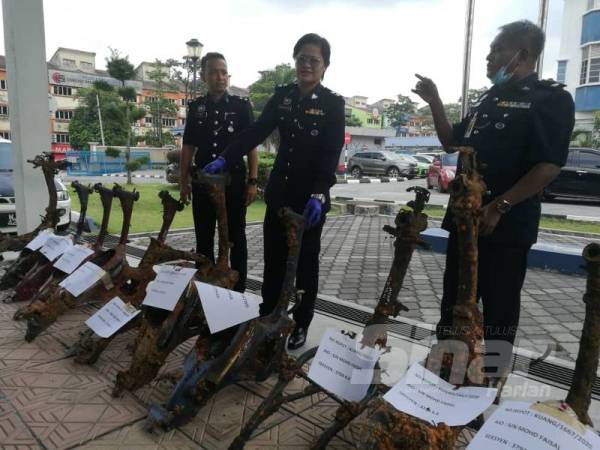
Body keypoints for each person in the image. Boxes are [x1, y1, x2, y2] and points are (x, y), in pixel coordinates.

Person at [413, 20, 575, 379]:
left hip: (507, 225)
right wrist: (436, 101)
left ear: (524, 54)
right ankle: (445, 376)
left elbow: (548, 165)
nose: (489, 56)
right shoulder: (487, 100)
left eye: (497, 49)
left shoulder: (551, 99)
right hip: (466, 221)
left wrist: (500, 206)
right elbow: (452, 143)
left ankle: (488, 385)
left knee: (500, 312)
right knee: (454, 304)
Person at [204, 33, 345, 349]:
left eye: (314, 60)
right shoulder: (283, 96)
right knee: (274, 259)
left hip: (310, 200)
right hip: (280, 193)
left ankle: (301, 322)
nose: (306, 64)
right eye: (302, 58)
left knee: (306, 263)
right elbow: (256, 130)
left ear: (325, 66)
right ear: (295, 60)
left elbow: (331, 151)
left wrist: (320, 194)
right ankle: (268, 313)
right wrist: (225, 157)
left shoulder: (333, 103)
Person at [180, 52, 258, 293]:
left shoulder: (241, 106)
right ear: (203, 76)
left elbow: (251, 146)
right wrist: (184, 181)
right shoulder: (196, 107)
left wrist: (252, 181)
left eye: (224, 72)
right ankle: (205, 290)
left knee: (236, 238)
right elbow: (188, 147)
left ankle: (238, 290)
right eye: (214, 72)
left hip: (233, 185)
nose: (220, 77)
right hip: (203, 184)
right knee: (204, 238)